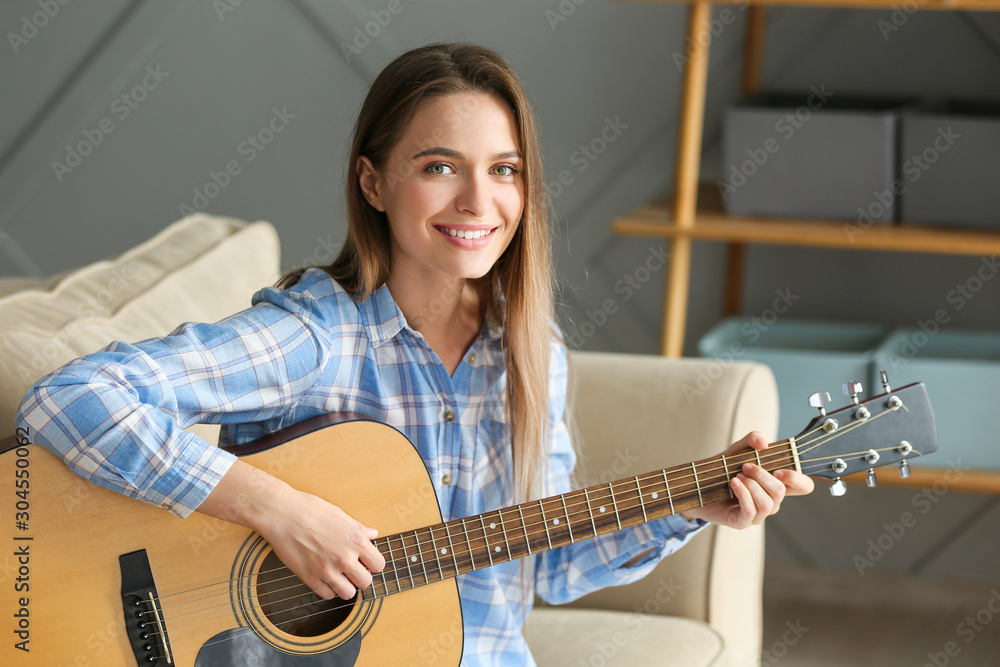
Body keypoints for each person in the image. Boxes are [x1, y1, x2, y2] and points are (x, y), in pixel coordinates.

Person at [16, 42, 813, 665]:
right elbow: (68, 398)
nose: (479, 202)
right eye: (440, 168)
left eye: (504, 171)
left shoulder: (532, 355)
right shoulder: (318, 336)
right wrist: (282, 512)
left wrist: (687, 506)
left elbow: (551, 570)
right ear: (373, 182)